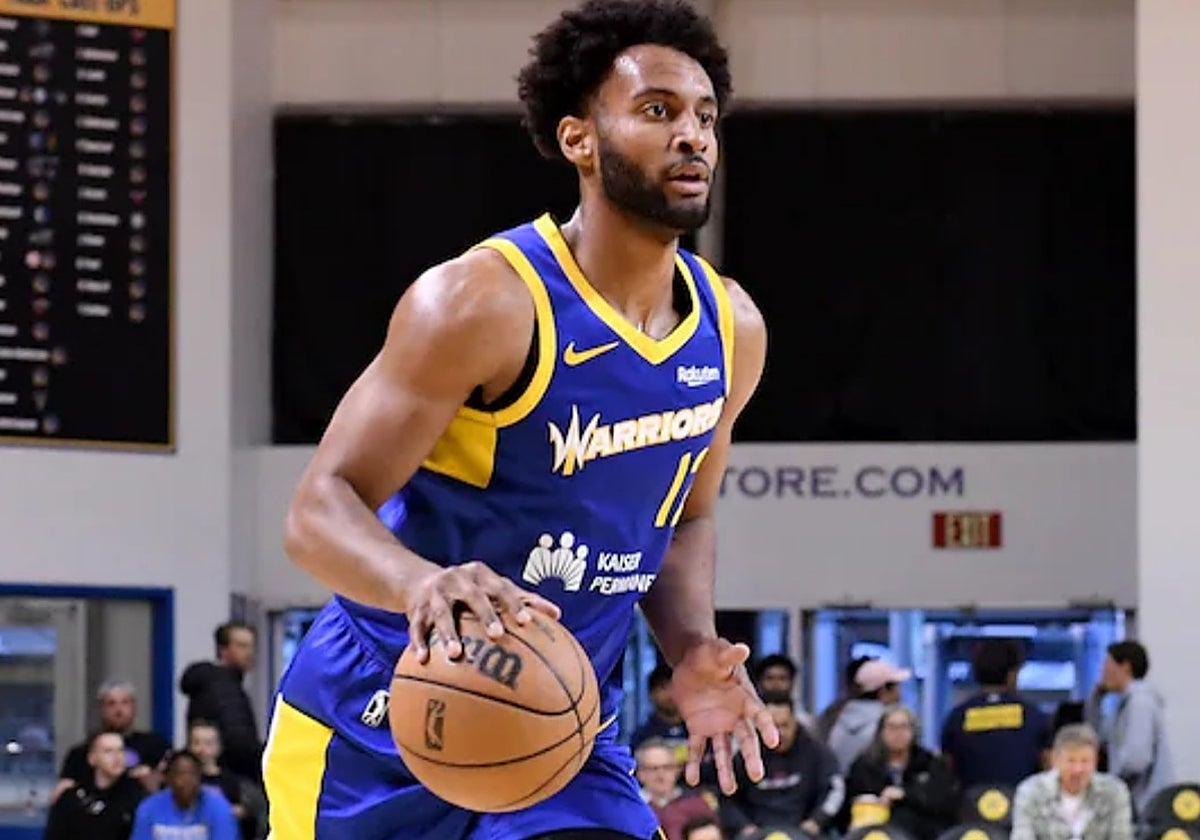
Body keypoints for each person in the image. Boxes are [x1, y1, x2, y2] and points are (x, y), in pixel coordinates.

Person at [265, 2, 774, 839]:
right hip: (380, 718)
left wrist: (690, 648)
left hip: (559, 730)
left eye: (705, 116)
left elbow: (684, 519)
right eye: (658, 112)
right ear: (579, 139)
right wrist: (420, 584)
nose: (693, 136)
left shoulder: (731, 331)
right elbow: (317, 509)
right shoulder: (481, 302)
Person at [842, 705, 958, 840]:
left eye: (904, 727)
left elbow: (943, 802)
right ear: (881, 731)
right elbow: (847, 808)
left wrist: (905, 794)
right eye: (891, 727)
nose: (898, 733)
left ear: (913, 731)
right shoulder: (864, 765)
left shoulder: (930, 763)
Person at [1010, 724, 1133, 840]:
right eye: (1071, 761)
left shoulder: (1115, 791)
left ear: (1096, 761)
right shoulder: (1030, 792)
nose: (1078, 769)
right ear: (1055, 760)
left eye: (1085, 761)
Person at [42, 731, 145, 840]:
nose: (117, 757)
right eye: (108, 751)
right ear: (92, 759)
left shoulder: (136, 796)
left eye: (121, 750)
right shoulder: (72, 798)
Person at [130, 751, 239, 840]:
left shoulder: (219, 807)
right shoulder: (149, 808)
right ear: (168, 778)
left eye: (192, 774)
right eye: (180, 774)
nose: (186, 780)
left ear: (200, 777)